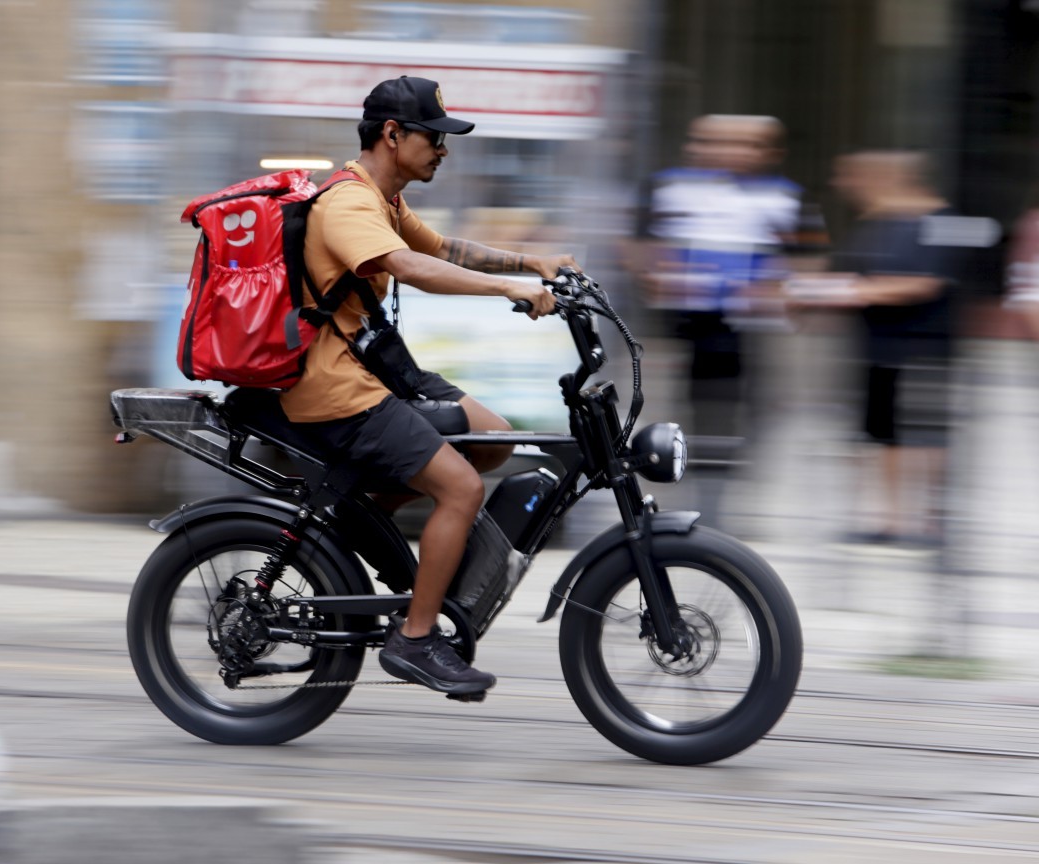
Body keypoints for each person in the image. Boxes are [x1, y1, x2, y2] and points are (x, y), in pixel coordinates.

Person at [281, 76, 574, 696]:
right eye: (434, 137)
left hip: (368, 369)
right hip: (332, 386)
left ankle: (364, 523)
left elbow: (442, 248)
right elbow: (408, 266)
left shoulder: (384, 198)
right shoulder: (348, 203)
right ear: (393, 135)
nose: (444, 149)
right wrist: (510, 291)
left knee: (491, 438)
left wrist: (533, 262)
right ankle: (415, 640)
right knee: (461, 487)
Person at [627, 115, 803, 520]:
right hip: (689, 327)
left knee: (747, 417)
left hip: (752, 330)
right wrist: (662, 275)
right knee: (692, 415)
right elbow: (638, 249)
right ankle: (699, 499)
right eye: (716, 142)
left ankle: (723, 500)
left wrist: (776, 289)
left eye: (747, 145)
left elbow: (804, 261)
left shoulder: (781, 195)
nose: (731, 153)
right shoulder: (671, 187)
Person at [790, 151, 959, 545]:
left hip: (923, 348)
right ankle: (892, 520)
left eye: (852, 176)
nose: (842, 184)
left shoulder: (938, 220)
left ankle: (929, 521)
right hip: (877, 347)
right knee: (882, 435)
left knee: (924, 435)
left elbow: (923, 283)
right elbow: (847, 272)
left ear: (886, 177)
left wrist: (850, 291)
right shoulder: (874, 222)